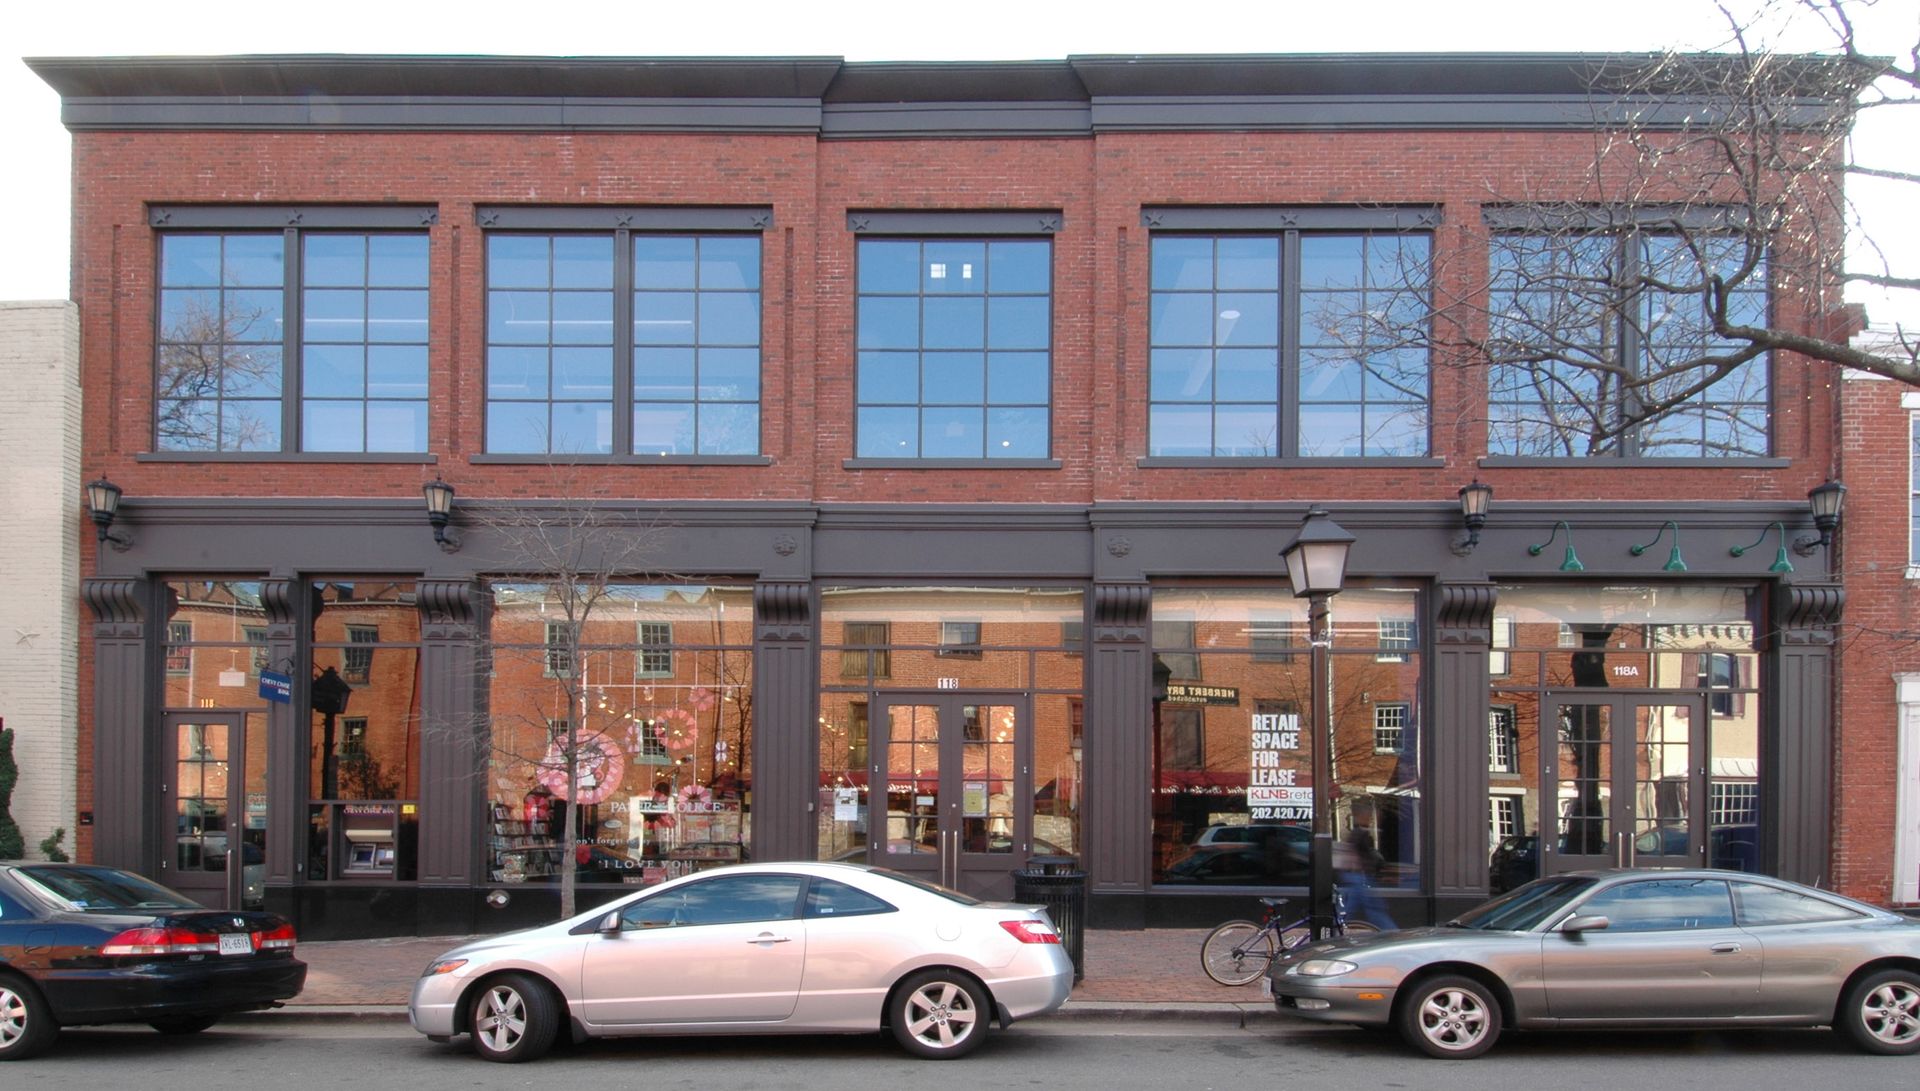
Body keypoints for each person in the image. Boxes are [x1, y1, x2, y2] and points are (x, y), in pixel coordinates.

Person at [1333, 802, 1395, 930]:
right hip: (1359, 878)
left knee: (1352, 909)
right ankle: (1392, 933)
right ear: (1362, 816)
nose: (1371, 819)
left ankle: (1335, 927)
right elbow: (1365, 856)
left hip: (1355, 877)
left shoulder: (1356, 833)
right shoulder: (1360, 834)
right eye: (1369, 816)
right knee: (1374, 909)